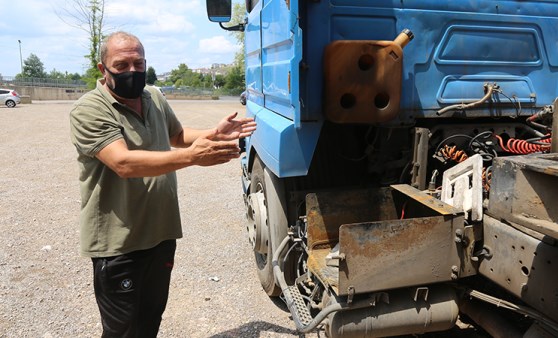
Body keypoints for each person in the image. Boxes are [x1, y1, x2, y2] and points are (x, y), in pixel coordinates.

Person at [69, 31, 256, 337]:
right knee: (121, 327)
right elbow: (123, 163)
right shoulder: (89, 109)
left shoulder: (153, 97)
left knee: (149, 319)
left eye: (138, 62)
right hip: (120, 242)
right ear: (103, 69)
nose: (132, 70)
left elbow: (177, 136)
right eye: (122, 64)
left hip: (161, 232)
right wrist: (192, 158)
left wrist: (215, 133)